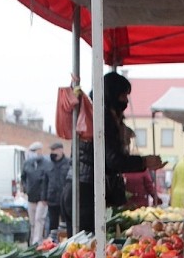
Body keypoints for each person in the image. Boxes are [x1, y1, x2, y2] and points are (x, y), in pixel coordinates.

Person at [63, 72, 165, 233]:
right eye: (123, 95)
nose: (125, 100)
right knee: (87, 248)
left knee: (79, 248)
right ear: (111, 93)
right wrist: (144, 162)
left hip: (76, 187)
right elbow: (113, 160)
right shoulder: (102, 117)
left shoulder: (97, 113)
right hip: (86, 192)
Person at [21, 141, 50, 244]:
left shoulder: (46, 164)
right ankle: (32, 241)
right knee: (32, 221)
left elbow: (47, 181)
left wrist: (45, 197)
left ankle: (37, 242)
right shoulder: (27, 164)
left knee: (39, 219)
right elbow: (23, 177)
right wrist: (25, 189)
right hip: (31, 196)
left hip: (42, 198)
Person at [46, 142, 70, 240]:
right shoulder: (49, 164)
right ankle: (52, 242)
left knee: (65, 223)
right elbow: (45, 181)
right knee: (53, 223)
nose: (52, 152)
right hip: (52, 198)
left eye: (54, 150)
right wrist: (44, 197)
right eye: (51, 150)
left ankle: (64, 240)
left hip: (64, 198)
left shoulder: (68, 163)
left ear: (60, 150)